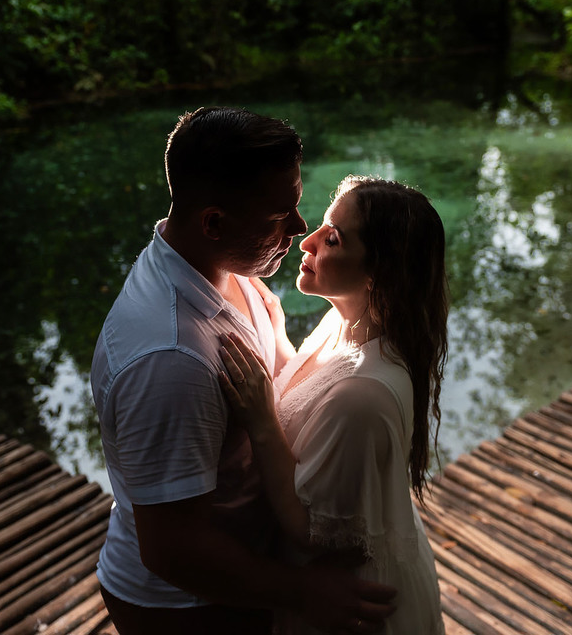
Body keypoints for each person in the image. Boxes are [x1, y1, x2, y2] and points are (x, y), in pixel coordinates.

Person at [89, 108, 397, 635]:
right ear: (213, 222)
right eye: (281, 215)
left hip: (249, 572)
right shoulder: (170, 360)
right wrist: (303, 590)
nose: (302, 230)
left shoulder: (220, 267)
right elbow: (172, 550)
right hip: (189, 609)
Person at [218, 175, 448, 635]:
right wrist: (271, 328)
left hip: (348, 603)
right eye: (323, 226)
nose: (309, 241)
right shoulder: (347, 322)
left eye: (334, 238)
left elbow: (309, 528)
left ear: (378, 271)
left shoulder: (362, 399)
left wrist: (262, 421)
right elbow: (309, 386)